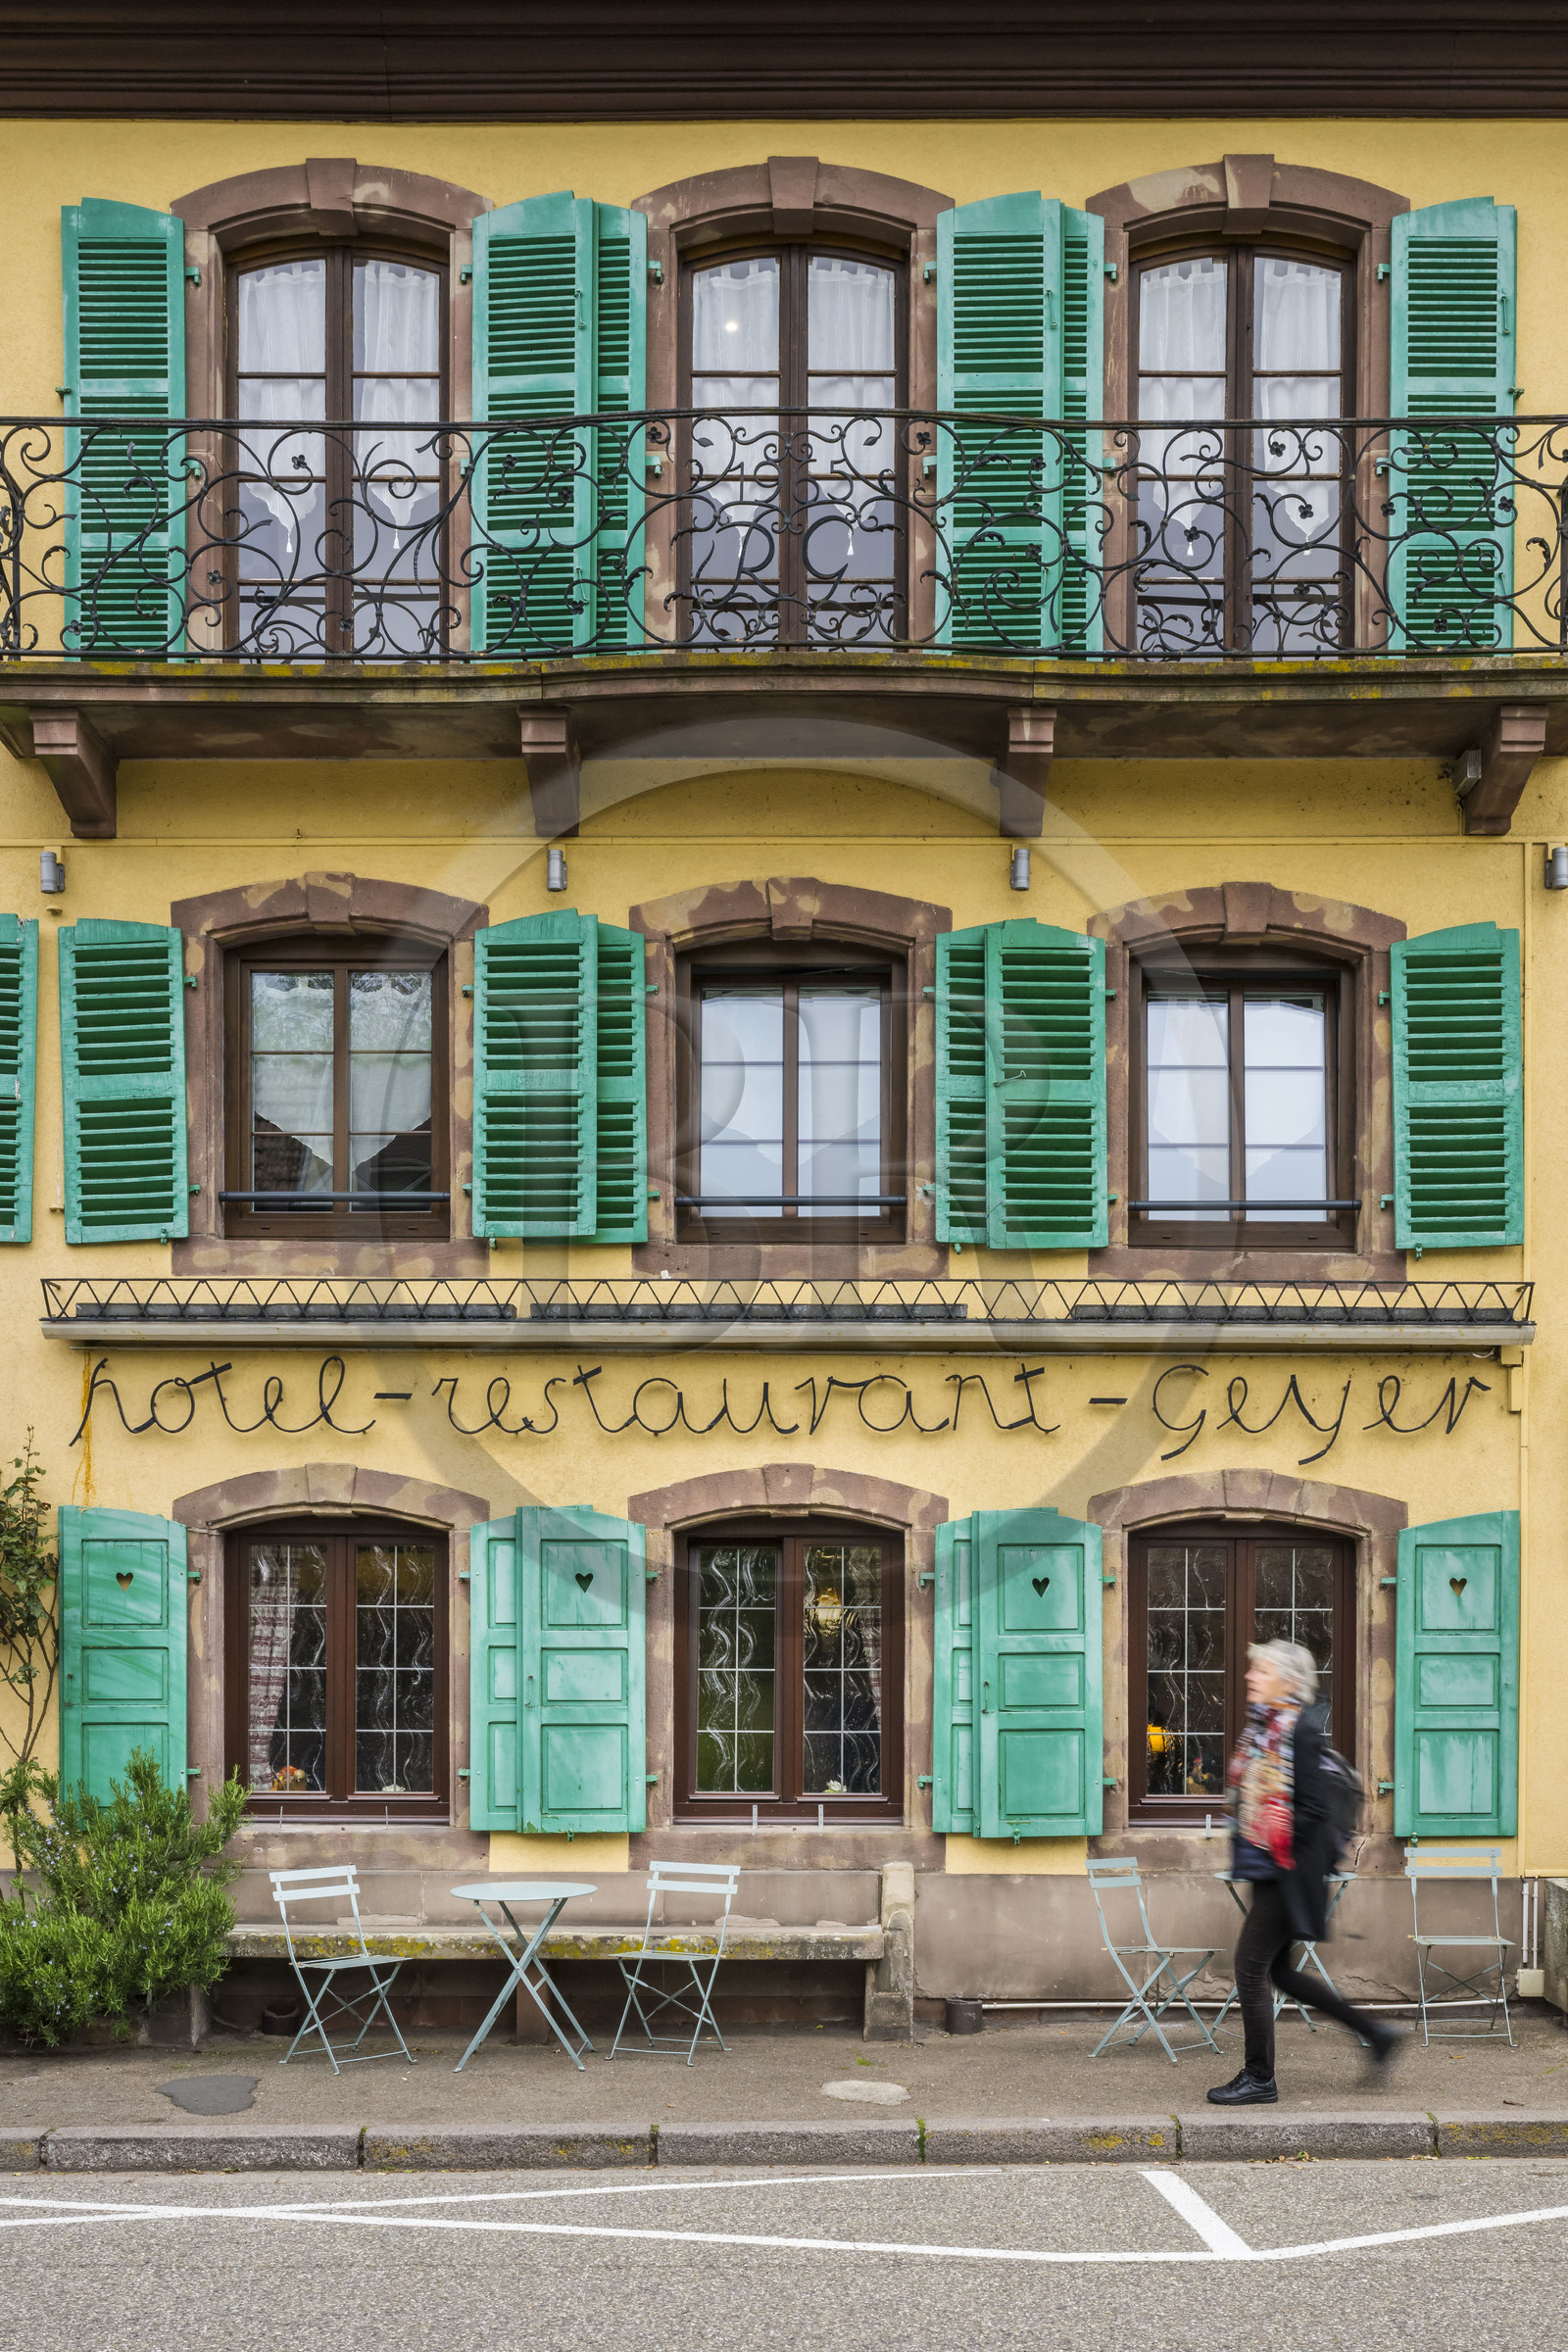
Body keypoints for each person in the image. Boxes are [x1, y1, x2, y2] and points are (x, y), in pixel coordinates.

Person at [1207, 1638, 1400, 2105]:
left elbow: (1314, 1807)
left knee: (1249, 1968)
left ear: (1289, 1682)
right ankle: (1376, 2033)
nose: (1250, 1677)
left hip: (1287, 1870)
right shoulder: (1263, 1731)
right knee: (1281, 1974)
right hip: (1268, 1867)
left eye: (1261, 1672)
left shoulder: (1299, 1732)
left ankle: (1260, 2078)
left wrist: (1281, 1823)